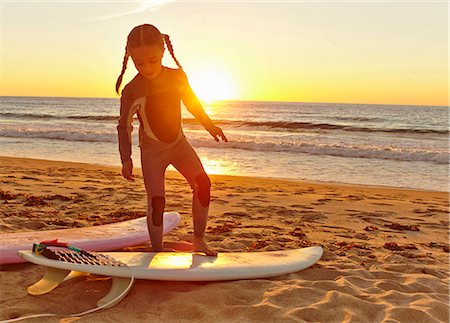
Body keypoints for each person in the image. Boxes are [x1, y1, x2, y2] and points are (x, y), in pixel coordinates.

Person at [115, 24, 227, 256]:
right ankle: (157, 250)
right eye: (139, 63)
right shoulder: (132, 90)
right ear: (130, 58)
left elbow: (193, 103)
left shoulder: (177, 77)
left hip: (178, 144)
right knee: (157, 202)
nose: (147, 67)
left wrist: (209, 125)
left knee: (203, 184)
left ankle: (199, 241)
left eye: (152, 60)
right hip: (152, 152)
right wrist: (126, 158)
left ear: (163, 51)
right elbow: (124, 127)